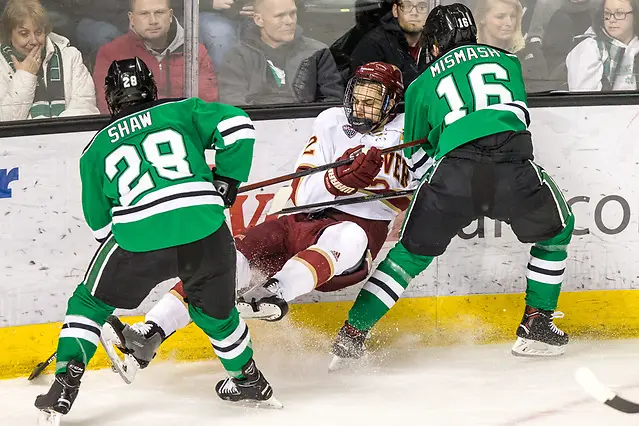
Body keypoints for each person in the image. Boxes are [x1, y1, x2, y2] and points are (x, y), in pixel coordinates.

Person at [102, 62, 429, 376]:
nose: (359, 109)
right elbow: (301, 193)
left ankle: (273, 293)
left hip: (348, 240)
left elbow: (422, 186)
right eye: (356, 99)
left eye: (370, 102)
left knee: (349, 236)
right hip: (296, 222)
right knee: (225, 261)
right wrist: (340, 179)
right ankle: (148, 333)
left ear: (390, 103)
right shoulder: (330, 123)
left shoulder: (412, 133)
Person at [33, 57, 279, 424]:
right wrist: (228, 180)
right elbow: (238, 125)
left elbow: (99, 223)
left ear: (110, 98)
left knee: (89, 302)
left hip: (140, 234)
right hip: (205, 227)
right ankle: (248, 380)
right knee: (216, 314)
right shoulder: (183, 110)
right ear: (152, 87)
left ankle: (67, 381)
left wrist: (122, 253)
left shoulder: (95, 149)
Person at [329, 3, 575, 367]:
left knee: (408, 256)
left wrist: (432, 187)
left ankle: (351, 336)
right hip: (511, 163)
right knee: (556, 232)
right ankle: (536, 324)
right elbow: (517, 116)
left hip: (454, 171)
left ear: (434, 43)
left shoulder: (420, 84)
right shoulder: (508, 60)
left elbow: (416, 157)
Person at [92, 0, 218, 114]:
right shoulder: (111, 53)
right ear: (131, 18)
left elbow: (207, 105)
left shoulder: (194, 51)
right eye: (144, 14)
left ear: (170, 15)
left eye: (159, 12)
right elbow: (107, 107)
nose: (153, 21)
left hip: (185, 130)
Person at [217, 0, 344, 105]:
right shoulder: (237, 57)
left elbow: (332, 103)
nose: (289, 21)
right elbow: (234, 105)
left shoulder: (317, 52)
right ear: (258, 20)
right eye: (279, 16)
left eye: (293, 13)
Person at [0, 0, 98, 120]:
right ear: (9, 34)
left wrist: (54, 134)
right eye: (24, 34)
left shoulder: (70, 56)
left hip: (68, 136)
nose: (34, 41)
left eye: (38, 32)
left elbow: (87, 109)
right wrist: (25, 76)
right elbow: (6, 122)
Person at [350, 0, 430, 87]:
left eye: (422, 7)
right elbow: (363, 95)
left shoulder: (435, 42)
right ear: (395, 10)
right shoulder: (373, 45)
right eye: (407, 6)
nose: (414, 13)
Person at [474, 0, 549, 92]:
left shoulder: (532, 55)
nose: (509, 23)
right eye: (500, 17)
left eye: (512, 16)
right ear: (482, 18)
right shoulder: (467, 55)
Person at [566, 0, 639, 91]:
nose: (611, 20)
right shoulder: (590, 48)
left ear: (635, 15)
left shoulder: (635, 46)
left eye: (619, 13)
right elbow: (584, 99)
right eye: (607, 13)